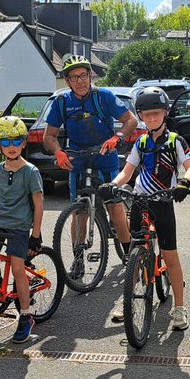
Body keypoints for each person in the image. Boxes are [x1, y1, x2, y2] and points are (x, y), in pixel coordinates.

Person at [98, 87, 190, 330]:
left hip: (163, 201)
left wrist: (185, 182)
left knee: (170, 255)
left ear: (165, 113)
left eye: (156, 113)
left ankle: (180, 309)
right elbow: (127, 171)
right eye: (146, 114)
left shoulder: (176, 140)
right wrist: (112, 185)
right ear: (141, 116)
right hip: (141, 201)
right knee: (134, 251)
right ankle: (128, 298)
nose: (151, 118)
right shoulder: (141, 142)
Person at [42, 54, 138, 269]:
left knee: (114, 207)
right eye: (74, 77)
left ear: (90, 75)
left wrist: (117, 137)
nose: (80, 81)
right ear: (67, 81)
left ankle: (128, 251)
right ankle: (78, 259)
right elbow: (48, 136)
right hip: (77, 158)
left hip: (105, 157)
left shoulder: (103, 96)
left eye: (84, 75)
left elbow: (131, 120)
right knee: (80, 210)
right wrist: (58, 152)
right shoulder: (61, 103)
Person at [0, 116, 45, 343]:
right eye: (5, 142)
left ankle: (25, 316)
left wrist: (35, 235)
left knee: (17, 269)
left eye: (15, 142)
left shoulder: (30, 171)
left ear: (24, 143)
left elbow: (39, 203)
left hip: (19, 227)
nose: (11, 147)